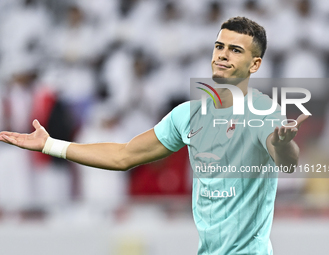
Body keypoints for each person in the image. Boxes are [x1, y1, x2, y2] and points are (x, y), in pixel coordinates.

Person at [0, 16, 308, 254]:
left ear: (255, 64)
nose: (223, 55)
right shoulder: (188, 115)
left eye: (235, 50)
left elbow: (286, 160)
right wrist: (50, 144)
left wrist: (283, 145)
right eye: (219, 46)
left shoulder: (263, 111)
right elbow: (124, 156)